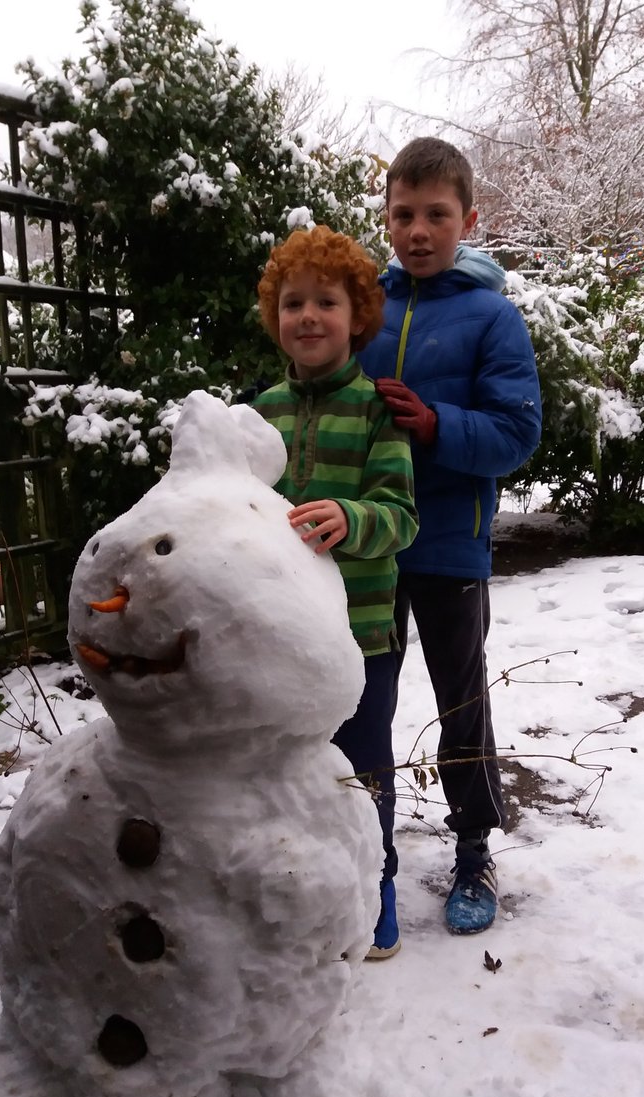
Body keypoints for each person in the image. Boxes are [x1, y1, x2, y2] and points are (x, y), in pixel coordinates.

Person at [357, 136, 542, 935]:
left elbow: (515, 433)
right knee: (361, 705)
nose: (419, 231)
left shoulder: (492, 317)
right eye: (404, 215)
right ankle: (369, 859)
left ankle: (474, 849)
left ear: (468, 219)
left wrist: (435, 425)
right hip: (365, 549)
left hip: (449, 548)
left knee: (460, 703)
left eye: (437, 215)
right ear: (387, 217)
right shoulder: (363, 307)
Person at [253, 224, 419, 960]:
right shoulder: (259, 416)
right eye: (294, 303)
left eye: (326, 302)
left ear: (358, 317)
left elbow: (401, 517)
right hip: (279, 635)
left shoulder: (377, 408)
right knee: (282, 766)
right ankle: (290, 887)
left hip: (362, 634)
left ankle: (373, 885)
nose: (309, 317)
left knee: (360, 767)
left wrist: (351, 518)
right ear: (275, 317)